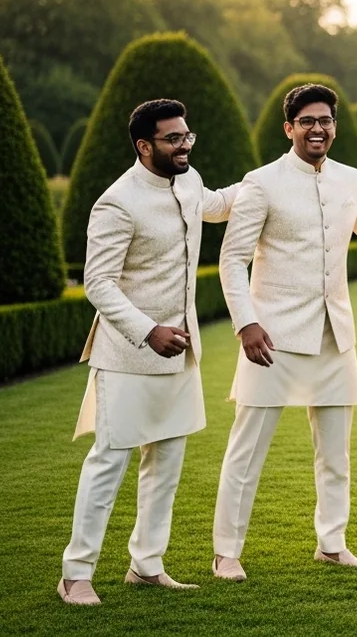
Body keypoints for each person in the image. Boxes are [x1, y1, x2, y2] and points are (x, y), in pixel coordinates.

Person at [59, 99, 239, 605]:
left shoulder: (188, 179)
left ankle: (146, 565)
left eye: (187, 136)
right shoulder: (116, 203)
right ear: (144, 145)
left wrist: (278, 174)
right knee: (109, 462)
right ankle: (75, 575)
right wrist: (148, 330)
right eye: (173, 139)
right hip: (127, 356)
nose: (184, 145)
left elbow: (218, 204)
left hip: (180, 354)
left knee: (166, 465)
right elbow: (98, 282)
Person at [212, 84, 357, 581]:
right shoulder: (261, 183)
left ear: (335, 126)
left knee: (336, 454)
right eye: (308, 121)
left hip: (335, 335)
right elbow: (232, 260)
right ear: (289, 127)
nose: (318, 129)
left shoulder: (350, 178)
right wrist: (247, 323)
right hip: (270, 338)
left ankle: (332, 544)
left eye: (326, 120)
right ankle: (226, 553)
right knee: (246, 452)